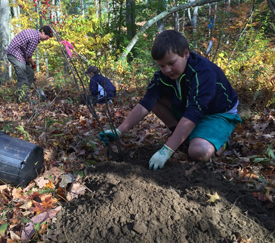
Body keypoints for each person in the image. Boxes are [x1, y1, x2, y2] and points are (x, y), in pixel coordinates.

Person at [99, 30, 242, 171]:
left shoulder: (203, 72)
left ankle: (222, 140)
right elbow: (146, 103)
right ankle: (182, 136)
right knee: (155, 100)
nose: (167, 70)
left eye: (171, 63)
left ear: (186, 54)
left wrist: (167, 150)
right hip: (188, 108)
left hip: (217, 113)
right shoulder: (162, 76)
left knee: (199, 151)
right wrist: (119, 131)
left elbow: (195, 111)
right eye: (161, 66)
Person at [7, 26, 53, 103]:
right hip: (14, 54)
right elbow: (28, 55)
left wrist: (31, 64)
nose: (46, 39)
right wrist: (32, 63)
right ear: (43, 33)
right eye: (47, 37)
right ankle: (21, 101)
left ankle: (24, 93)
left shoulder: (34, 33)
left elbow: (27, 53)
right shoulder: (35, 38)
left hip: (21, 55)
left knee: (30, 73)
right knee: (23, 78)